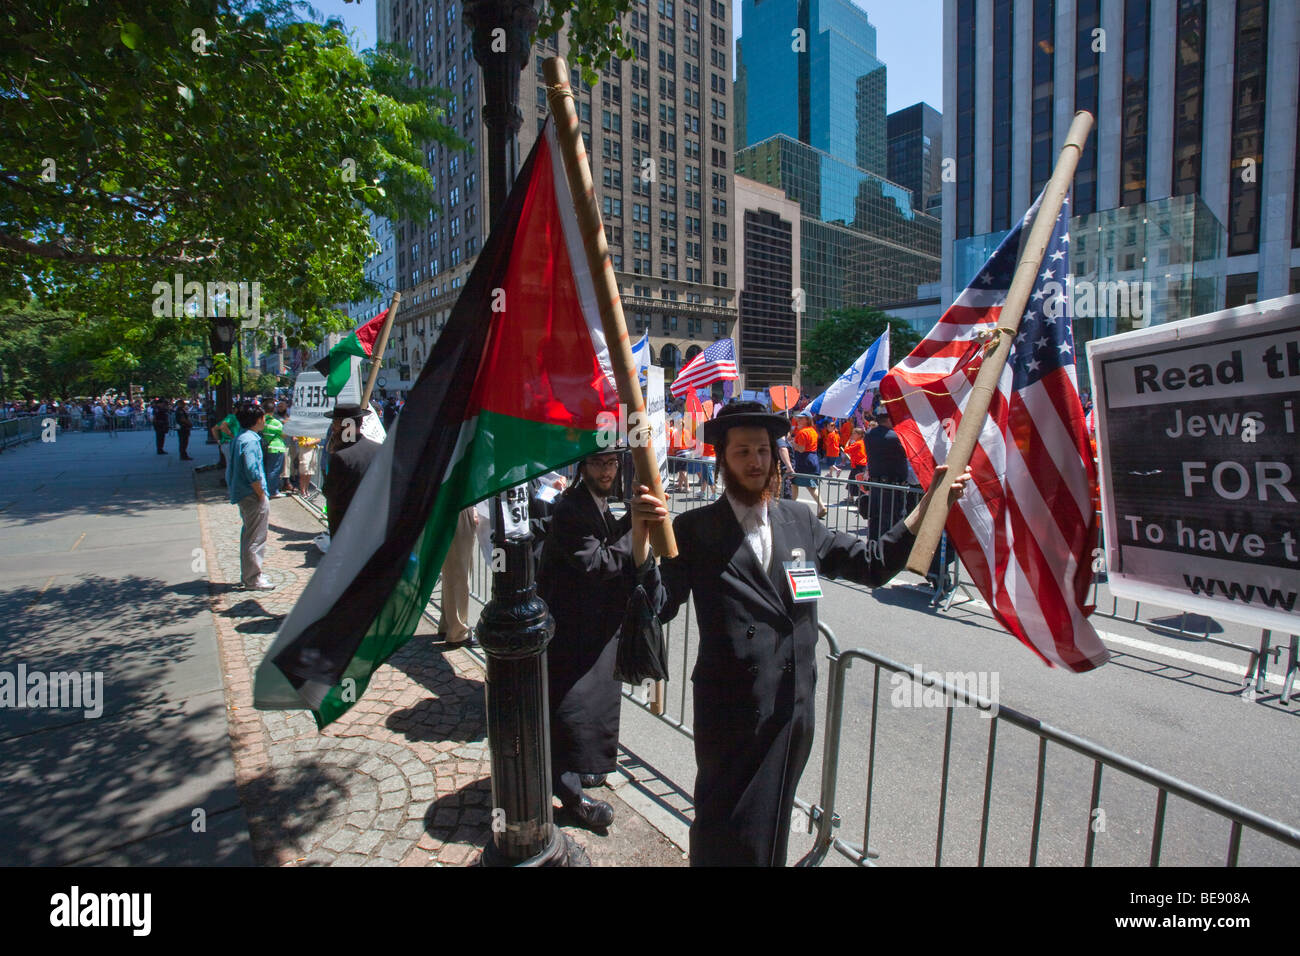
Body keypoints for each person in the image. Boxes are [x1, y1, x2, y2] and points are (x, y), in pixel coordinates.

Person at [628, 401, 971, 866]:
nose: (755, 462)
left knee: (770, 825)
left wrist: (930, 504)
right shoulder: (694, 529)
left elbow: (870, 563)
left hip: (792, 708)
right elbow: (659, 607)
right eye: (743, 452)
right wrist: (640, 542)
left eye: (764, 451)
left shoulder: (800, 520)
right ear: (723, 459)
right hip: (731, 712)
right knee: (723, 824)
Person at [536, 449, 637, 831]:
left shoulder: (596, 502)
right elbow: (599, 562)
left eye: (612, 463)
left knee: (587, 710)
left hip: (589, 629)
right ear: (582, 466)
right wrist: (637, 528)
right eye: (598, 463)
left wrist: (632, 518)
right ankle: (571, 795)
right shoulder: (571, 508)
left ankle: (584, 768)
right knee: (569, 713)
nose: (607, 471)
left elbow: (610, 539)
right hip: (569, 631)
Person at [227, 401, 275, 591]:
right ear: (257, 419)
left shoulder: (240, 437)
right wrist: (261, 493)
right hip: (251, 494)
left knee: (249, 535)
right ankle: (253, 578)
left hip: (242, 492)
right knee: (255, 537)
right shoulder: (251, 440)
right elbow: (252, 470)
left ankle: (250, 574)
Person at [321, 404, 382, 538]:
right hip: (373, 522)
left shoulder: (341, 457)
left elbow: (329, 491)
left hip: (346, 527)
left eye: (335, 423)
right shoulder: (380, 449)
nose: (333, 428)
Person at [864, 407, 910, 539]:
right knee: (891, 522)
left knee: (875, 520)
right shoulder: (895, 437)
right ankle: (887, 552)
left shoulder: (869, 435)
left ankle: (872, 549)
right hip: (892, 487)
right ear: (889, 419)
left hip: (876, 485)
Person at [789, 413, 827, 518]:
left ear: (807, 420)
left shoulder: (802, 432)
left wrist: (792, 443)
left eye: (801, 418)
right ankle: (821, 506)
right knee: (810, 486)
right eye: (798, 418)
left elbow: (801, 449)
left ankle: (792, 507)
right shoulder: (813, 431)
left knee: (794, 483)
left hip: (803, 460)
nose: (798, 420)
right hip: (813, 459)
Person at [261, 403, 288, 499]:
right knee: (275, 470)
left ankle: (268, 489)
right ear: (273, 410)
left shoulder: (263, 422)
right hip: (277, 447)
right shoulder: (276, 422)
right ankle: (273, 491)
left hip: (267, 447)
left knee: (269, 469)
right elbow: (284, 435)